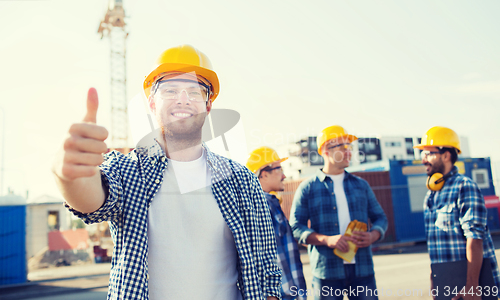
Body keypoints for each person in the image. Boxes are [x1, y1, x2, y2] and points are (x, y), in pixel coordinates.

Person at [52, 45, 281, 300]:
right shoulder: (129, 170)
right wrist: (69, 175)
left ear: (208, 105)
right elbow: (93, 199)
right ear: (151, 102)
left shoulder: (241, 180)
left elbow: (266, 271)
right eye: (170, 90)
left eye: (195, 91)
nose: (183, 99)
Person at [289, 125, 388, 300]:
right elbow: (296, 227)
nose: (348, 152)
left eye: (349, 147)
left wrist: (373, 235)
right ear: (326, 150)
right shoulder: (308, 188)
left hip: (362, 269)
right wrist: (326, 240)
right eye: (342, 147)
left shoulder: (361, 185)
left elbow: (380, 218)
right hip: (327, 272)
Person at [414, 126, 500, 300]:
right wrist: (434, 281)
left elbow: (475, 238)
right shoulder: (430, 195)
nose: (423, 160)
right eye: (422, 154)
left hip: (472, 284)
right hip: (446, 283)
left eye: (428, 153)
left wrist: (472, 286)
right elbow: (436, 246)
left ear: (446, 155)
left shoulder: (464, 186)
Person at [247, 147, 307, 300]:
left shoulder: (270, 204)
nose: (284, 175)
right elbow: (260, 257)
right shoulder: (258, 208)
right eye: (279, 169)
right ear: (264, 174)